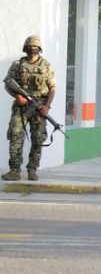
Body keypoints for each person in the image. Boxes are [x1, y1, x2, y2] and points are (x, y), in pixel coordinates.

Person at [2, 35, 56, 182]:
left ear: (39, 49)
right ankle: (14, 170)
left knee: (38, 138)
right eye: (30, 47)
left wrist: (47, 106)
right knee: (15, 134)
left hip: (39, 107)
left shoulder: (46, 66)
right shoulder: (18, 64)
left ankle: (32, 169)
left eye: (35, 48)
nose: (32, 50)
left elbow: (52, 88)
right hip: (21, 106)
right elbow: (8, 83)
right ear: (25, 48)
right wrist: (17, 97)